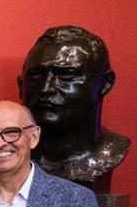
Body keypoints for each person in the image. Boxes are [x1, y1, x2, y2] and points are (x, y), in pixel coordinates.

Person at [19, 25, 130, 192]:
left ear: (105, 84)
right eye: (35, 77)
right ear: (20, 86)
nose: (46, 88)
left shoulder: (111, 152)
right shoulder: (7, 156)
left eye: (66, 75)